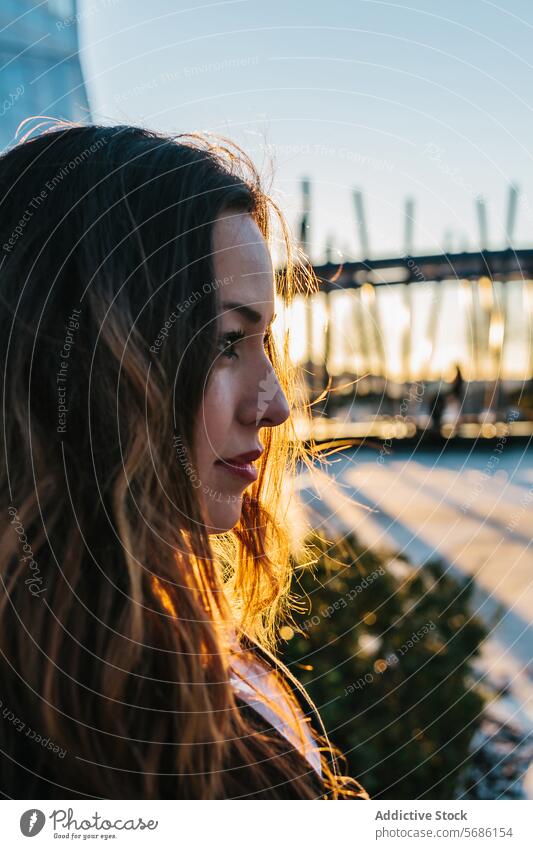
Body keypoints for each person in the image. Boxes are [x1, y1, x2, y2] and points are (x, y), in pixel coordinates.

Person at [0, 121, 369, 800]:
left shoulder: (165, 672)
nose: (277, 405)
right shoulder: (163, 762)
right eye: (227, 342)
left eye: (264, 340)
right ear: (91, 363)